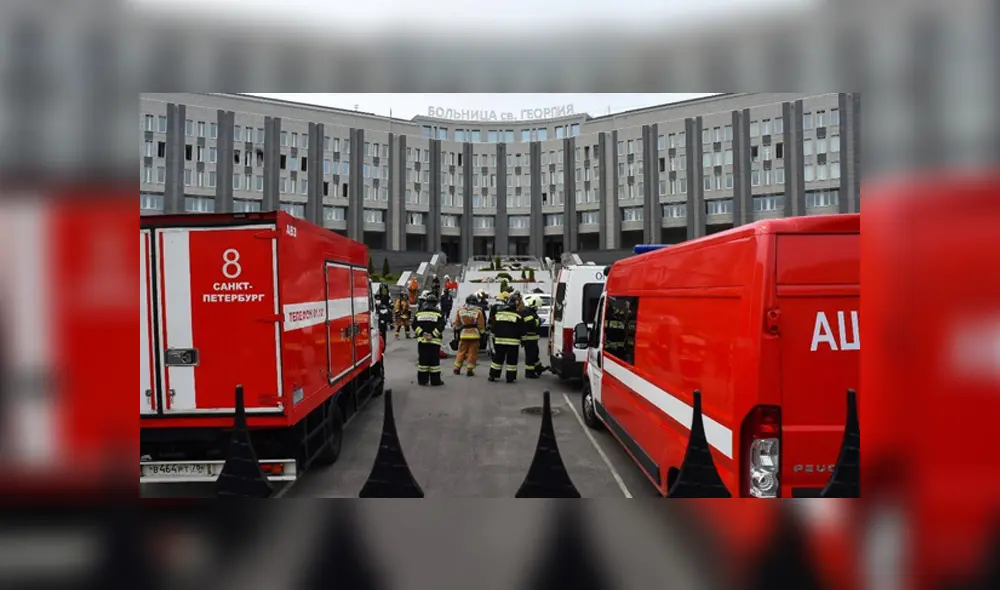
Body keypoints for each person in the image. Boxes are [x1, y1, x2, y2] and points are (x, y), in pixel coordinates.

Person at [489, 296, 524, 383]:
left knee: (497, 359)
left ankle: (493, 375)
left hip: (500, 341)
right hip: (513, 343)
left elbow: (494, 327)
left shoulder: (499, 314)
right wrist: (523, 340)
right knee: (512, 360)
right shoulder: (518, 316)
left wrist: (493, 338)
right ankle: (510, 378)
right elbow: (521, 330)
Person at [413, 293, 446, 386]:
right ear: (435, 303)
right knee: (434, 362)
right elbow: (442, 326)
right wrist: (432, 334)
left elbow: (414, 325)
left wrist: (422, 333)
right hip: (434, 342)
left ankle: (422, 380)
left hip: (422, 341)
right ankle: (435, 381)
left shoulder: (419, 313)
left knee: (423, 361)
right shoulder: (439, 313)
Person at [452, 294, 486, 376]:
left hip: (464, 334)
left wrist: (457, 331)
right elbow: (481, 325)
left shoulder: (460, 310)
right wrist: (482, 334)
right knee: (472, 353)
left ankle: (457, 368)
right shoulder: (478, 311)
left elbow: (457, 324)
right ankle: (469, 370)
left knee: (461, 352)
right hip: (475, 335)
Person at [520, 296, 544, 378]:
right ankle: (529, 373)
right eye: (537, 306)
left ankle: (538, 368)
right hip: (529, 338)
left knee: (535, 354)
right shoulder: (527, 312)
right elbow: (531, 323)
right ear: (533, 304)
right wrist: (539, 321)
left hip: (532, 338)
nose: (537, 308)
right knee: (530, 356)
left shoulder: (529, 311)